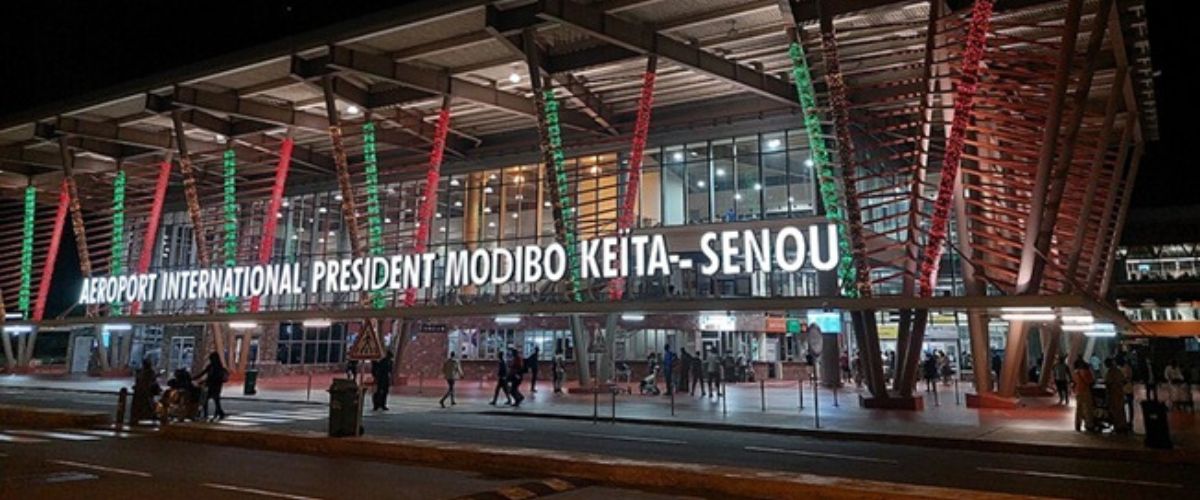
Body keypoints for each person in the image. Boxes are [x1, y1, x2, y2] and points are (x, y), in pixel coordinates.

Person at [193, 352, 228, 420]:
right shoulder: (218, 367)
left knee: (207, 399)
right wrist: (196, 378)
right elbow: (203, 373)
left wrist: (197, 379)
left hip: (212, 386)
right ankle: (219, 413)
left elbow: (204, 374)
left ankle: (208, 413)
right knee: (215, 401)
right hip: (216, 387)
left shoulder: (213, 367)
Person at [130, 358, 160, 425]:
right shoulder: (149, 372)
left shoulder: (141, 372)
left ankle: (139, 418)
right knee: (148, 405)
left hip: (141, 393)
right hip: (145, 393)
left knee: (143, 406)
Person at [1103, 358, 1129, 432]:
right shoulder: (1118, 371)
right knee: (1121, 410)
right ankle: (1122, 425)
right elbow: (1123, 381)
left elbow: (1108, 383)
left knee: (1115, 410)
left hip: (1113, 394)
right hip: (1119, 392)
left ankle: (1118, 426)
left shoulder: (1110, 372)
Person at [1072, 358, 1096, 432]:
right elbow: (1090, 381)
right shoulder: (1085, 372)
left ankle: (1077, 425)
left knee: (1079, 409)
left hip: (1078, 391)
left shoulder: (1075, 372)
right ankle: (1089, 425)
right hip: (1085, 391)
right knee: (1087, 409)